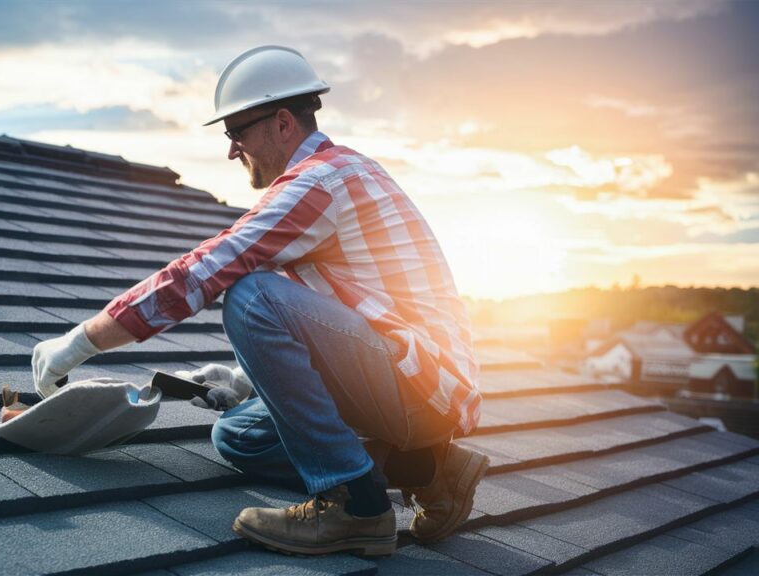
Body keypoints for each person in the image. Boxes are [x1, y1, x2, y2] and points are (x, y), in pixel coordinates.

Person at [31, 45, 488, 557]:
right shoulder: (337, 175)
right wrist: (245, 381)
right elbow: (338, 308)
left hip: (422, 391)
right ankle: (430, 469)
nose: (232, 149)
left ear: (284, 123)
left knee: (249, 295)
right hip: (407, 381)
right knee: (237, 435)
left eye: (237, 132)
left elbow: (200, 273)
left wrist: (76, 344)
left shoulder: (319, 182)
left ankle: (355, 505)